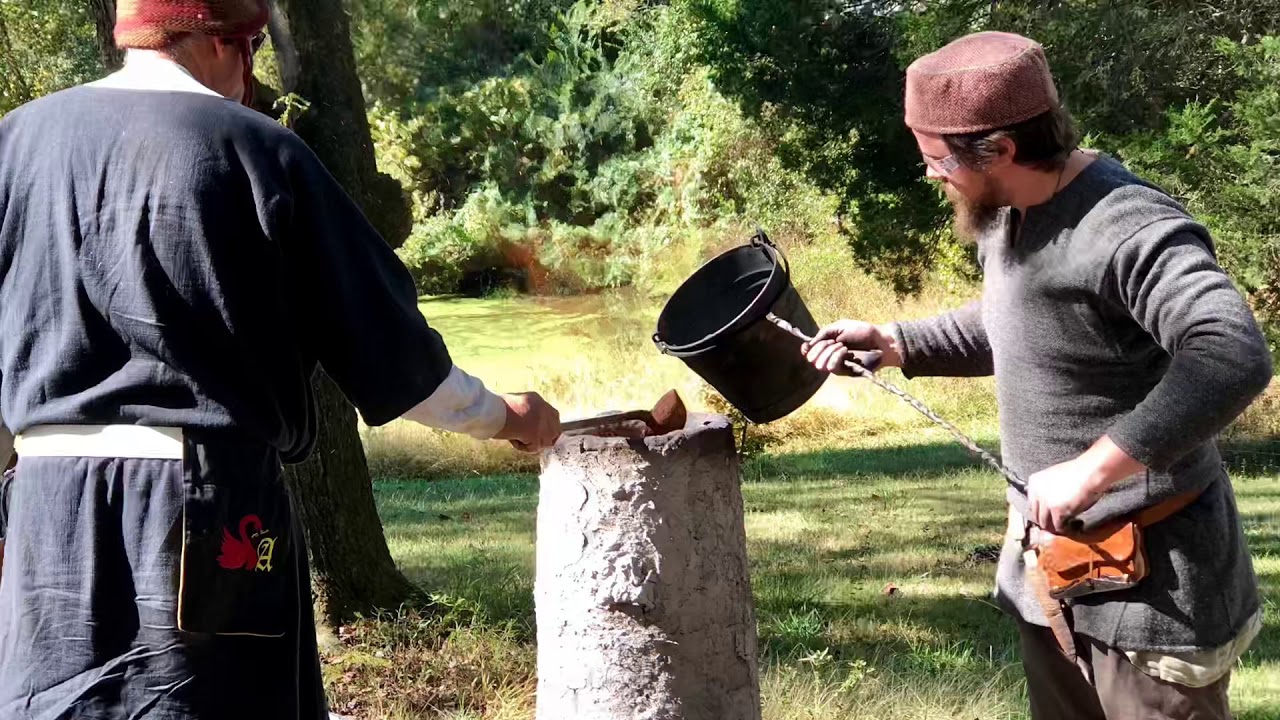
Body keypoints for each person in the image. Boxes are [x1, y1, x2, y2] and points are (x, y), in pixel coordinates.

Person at [0, 1, 561, 717]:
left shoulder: (15, 144)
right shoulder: (256, 150)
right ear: (223, 42)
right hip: (206, 505)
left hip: (48, 509)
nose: (254, 74)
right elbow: (385, 347)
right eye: (254, 46)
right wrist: (502, 415)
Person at [802, 31, 1273, 720]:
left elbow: (1230, 352)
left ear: (999, 150)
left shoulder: (1127, 225)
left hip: (1152, 597)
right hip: (1053, 578)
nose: (930, 174)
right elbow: (1017, 321)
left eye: (937, 159)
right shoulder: (1008, 215)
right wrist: (895, 341)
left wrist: (1090, 471)